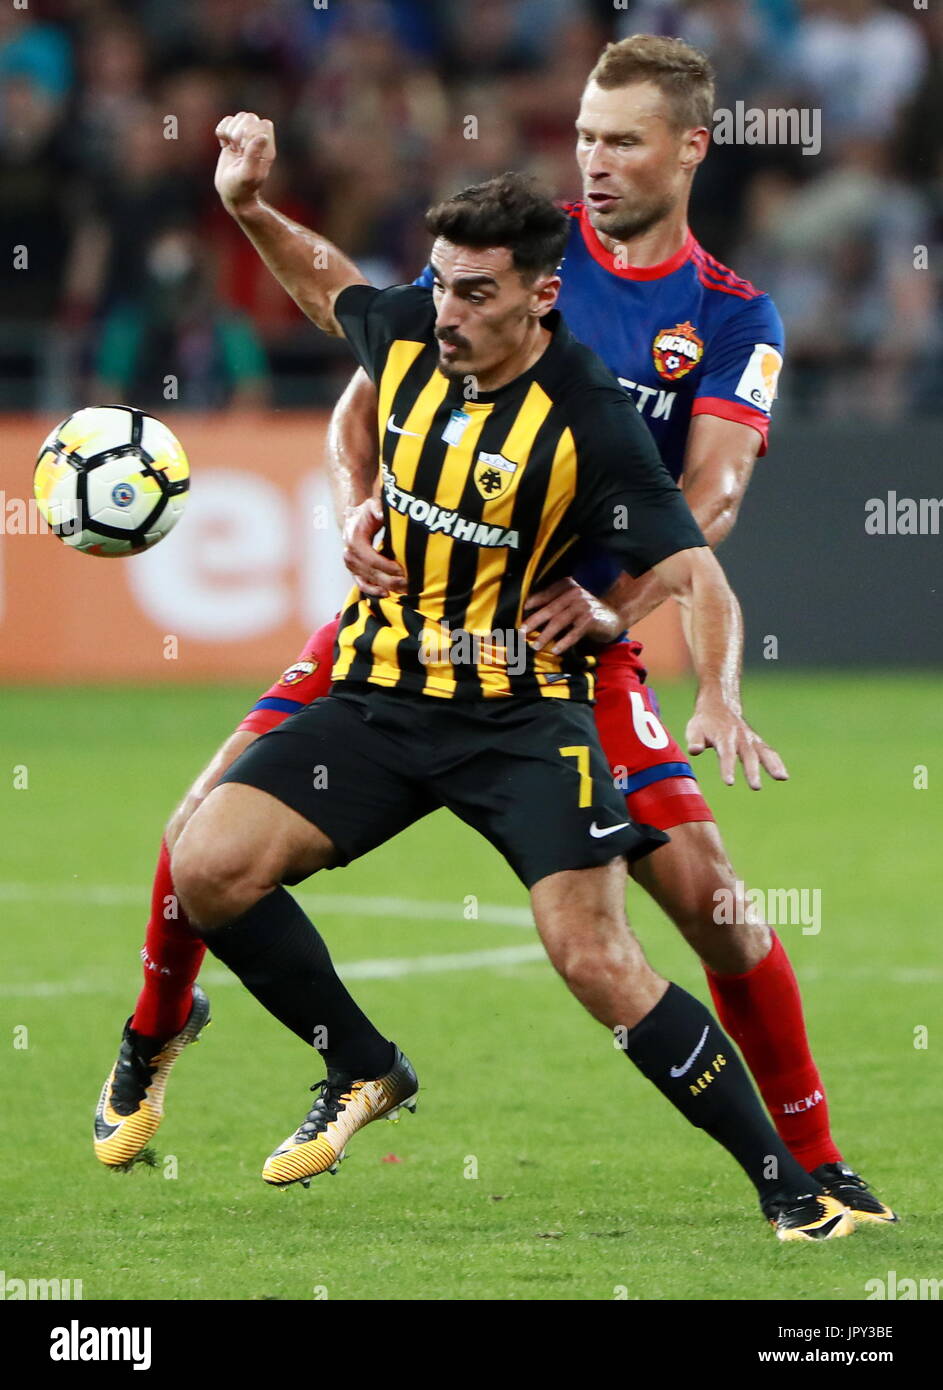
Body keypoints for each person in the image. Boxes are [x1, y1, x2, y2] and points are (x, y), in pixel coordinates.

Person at [94, 36, 894, 1227]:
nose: (596, 161)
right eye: (583, 135)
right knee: (198, 832)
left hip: (571, 636)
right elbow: (356, 387)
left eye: (622, 140)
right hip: (409, 609)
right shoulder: (500, 255)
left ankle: (810, 1167)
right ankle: (158, 1039)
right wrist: (347, 503)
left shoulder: (726, 316)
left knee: (708, 906)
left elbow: (708, 506)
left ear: (689, 148)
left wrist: (620, 608)